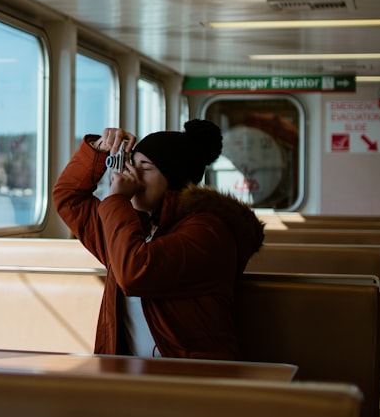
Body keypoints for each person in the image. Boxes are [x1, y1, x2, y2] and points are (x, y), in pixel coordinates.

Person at [53, 119, 264, 360]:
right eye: (131, 164)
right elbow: (69, 198)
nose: (131, 175)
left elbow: (134, 273)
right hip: (133, 374)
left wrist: (117, 200)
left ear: (175, 181)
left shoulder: (209, 232)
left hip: (194, 377)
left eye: (145, 168)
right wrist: (100, 150)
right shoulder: (136, 227)